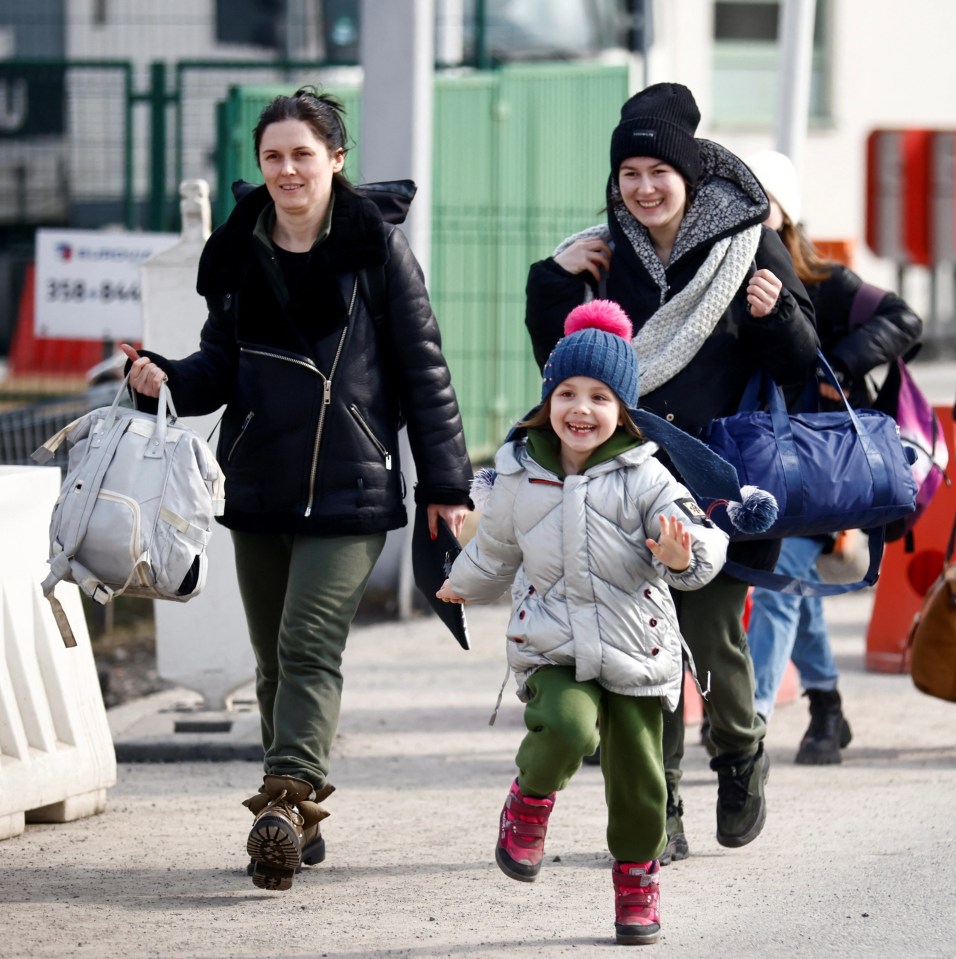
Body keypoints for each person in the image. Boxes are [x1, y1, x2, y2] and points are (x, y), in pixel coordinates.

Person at [120, 87, 472, 892]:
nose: (287, 169)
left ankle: (279, 801)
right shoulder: (242, 251)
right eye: (273, 156)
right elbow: (218, 367)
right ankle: (301, 814)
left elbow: (425, 369)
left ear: (335, 160)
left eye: (302, 154)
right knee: (272, 660)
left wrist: (445, 484)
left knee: (310, 645)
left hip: (350, 487)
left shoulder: (376, 250)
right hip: (258, 481)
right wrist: (161, 377)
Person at [523, 82, 819, 864]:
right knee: (646, 655)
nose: (645, 188)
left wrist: (776, 315)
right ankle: (666, 811)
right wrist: (553, 280)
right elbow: (564, 369)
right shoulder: (603, 253)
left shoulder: (748, 242)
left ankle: (741, 752)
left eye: (659, 171)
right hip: (627, 476)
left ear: (688, 175)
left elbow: (801, 367)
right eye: (630, 175)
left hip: (716, 478)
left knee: (714, 642)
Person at [437, 300, 732, 945]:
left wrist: (684, 555)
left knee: (640, 779)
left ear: (622, 412)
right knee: (567, 727)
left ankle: (636, 882)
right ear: (546, 402)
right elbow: (498, 549)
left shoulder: (647, 476)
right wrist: (461, 584)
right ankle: (529, 802)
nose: (581, 408)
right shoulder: (520, 474)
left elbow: (702, 542)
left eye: (600, 397)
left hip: (637, 647)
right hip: (552, 642)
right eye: (567, 392)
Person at [742, 149, 922, 764]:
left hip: (825, 466)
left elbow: (906, 318)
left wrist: (838, 365)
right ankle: (826, 704)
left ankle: (752, 723)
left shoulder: (825, 281)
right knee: (793, 581)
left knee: (777, 580)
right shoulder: (722, 276)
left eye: (755, 200)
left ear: (783, 213)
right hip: (756, 460)